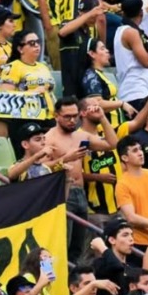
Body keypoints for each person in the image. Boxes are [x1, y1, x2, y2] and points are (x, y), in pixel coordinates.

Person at [45, 97, 118, 261]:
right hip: (63, 192)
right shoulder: (49, 138)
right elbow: (41, 168)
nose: (72, 120)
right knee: (63, 243)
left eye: (75, 116)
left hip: (80, 192)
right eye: (67, 117)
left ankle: (75, 276)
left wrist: (102, 117)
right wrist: (65, 159)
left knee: (78, 247)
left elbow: (112, 144)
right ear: (56, 116)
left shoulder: (80, 136)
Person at [114, 0, 148, 111]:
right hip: (135, 92)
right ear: (141, 13)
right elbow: (147, 62)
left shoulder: (121, 30)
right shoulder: (131, 32)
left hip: (133, 91)